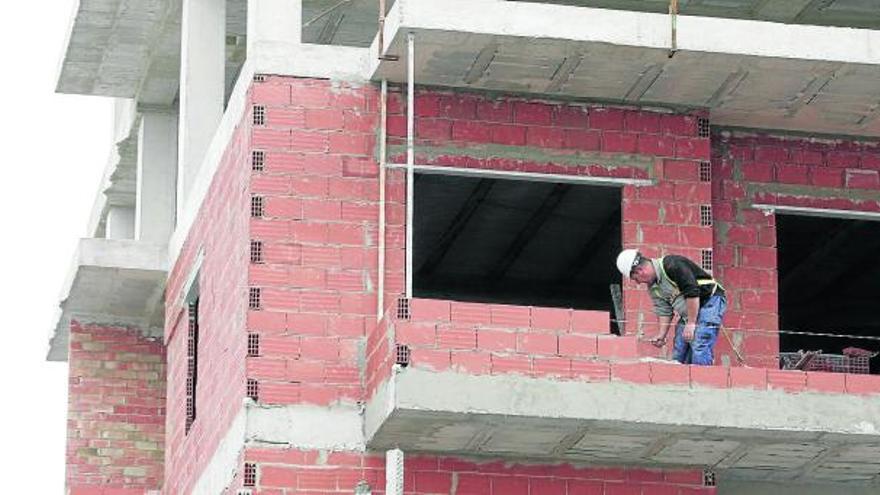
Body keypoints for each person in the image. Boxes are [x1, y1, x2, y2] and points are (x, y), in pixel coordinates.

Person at [615, 249, 727, 365]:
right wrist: (661, 335)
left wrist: (691, 323)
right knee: (680, 347)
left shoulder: (672, 265)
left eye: (635, 279)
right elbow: (664, 310)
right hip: (689, 312)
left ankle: (702, 379)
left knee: (700, 341)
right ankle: (682, 379)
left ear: (640, 271)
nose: (638, 283)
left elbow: (692, 292)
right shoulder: (653, 288)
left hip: (710, 301)